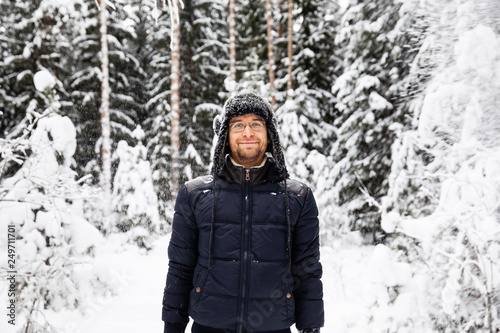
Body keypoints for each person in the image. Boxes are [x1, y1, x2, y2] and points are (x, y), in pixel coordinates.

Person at [162, 92, 324, 333]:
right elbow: (180, 267)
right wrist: (172, 327)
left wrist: (311, 328)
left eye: (256, 124)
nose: (248, 133)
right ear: (225, 137)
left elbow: (307, 269)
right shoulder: (194, 195)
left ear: (269, 136)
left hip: (274, 327)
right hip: (209, 327)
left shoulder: (298, 197)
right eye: (238, 125)